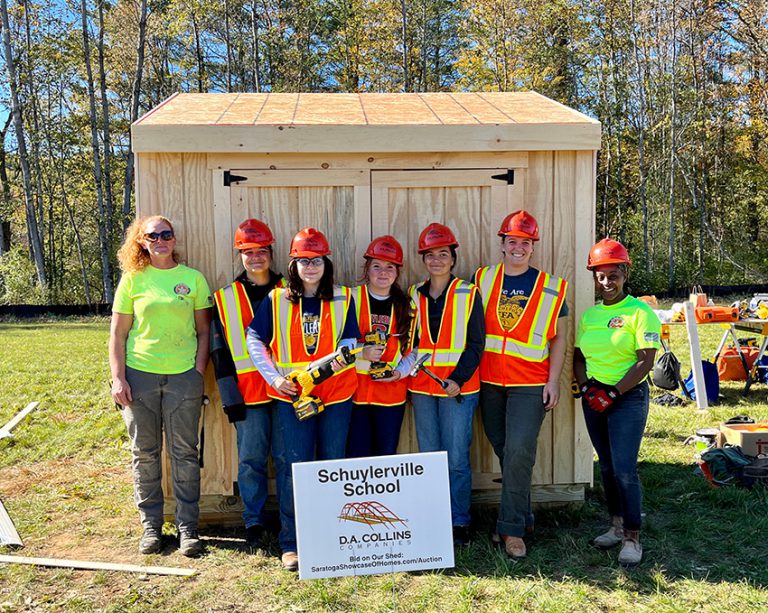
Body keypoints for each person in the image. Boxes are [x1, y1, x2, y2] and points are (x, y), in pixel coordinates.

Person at [245, 227, 379, 571]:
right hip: (293, 398)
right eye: (303, 260)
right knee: (294, 467)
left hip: (336, 396)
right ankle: (292, 542)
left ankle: (330, 537)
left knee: (332, 465)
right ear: (293, 264)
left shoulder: (343, 298)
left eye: (316, 260)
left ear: (326, 263)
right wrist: (274, 378)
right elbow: (254, 338)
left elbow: (350, 343)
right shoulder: (277, 299)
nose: (310, 267)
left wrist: (334, 362)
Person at [109, 215, 211, 557]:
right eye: (153, 236)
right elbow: (118, 334)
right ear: (142, 241)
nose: (161, 240)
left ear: (174, 239)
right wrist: (119, 378)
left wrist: (197, 370)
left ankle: (188, 529)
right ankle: (151, 527)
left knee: (185, 453)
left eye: (166, 234)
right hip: (139, 376)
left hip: (184, 377)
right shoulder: (133, 280)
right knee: (144, 453)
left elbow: (204, 331)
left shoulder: (193, 279)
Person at [474, 210, 568, 560]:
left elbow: (559, 338)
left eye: (525, 242)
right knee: (507, 450)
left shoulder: (550, 286)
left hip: (530, 383)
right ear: (502, 244)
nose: (518, 247)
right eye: (512, 241)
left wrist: (553, 380)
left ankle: (510, 529)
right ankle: (524, 515)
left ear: (532, 246)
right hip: (488, 381)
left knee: (518, 452)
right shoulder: (482, 278)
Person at [573, 238, 660, 568]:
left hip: (627, 398)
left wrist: (613, 393)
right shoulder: (591, 316)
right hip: (594, 398)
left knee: (624, 469)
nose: (607, 282)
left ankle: (632, 537)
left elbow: (645, 361)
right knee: (607, 466)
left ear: (625, 274)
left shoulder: (640, 313)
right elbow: (578, 357)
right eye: (601, 276)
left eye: (614, 275)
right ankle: (616, 525)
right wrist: (586, 387)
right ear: (594, 278)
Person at [408, 223, 484, 546]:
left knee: (455, 458)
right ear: (423, 259)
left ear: (453, 258)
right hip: (423, 389)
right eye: (430, 255)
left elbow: (476, 343)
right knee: (429, 456)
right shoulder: (414, 294)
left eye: (443, 254)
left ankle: (459, 521)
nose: (436, 260)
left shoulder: (468, 293)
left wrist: (458, 379)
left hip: (458, 389)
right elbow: (410, 342)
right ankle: (434, 519)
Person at [210, 219, 283, 552]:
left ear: (271, 252)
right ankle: (253, 521)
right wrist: (229, 396)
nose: (255, 258)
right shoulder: (225, 298)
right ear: (239, 255)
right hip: (248, 394)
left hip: (290, 392)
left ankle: (292, 518)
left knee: (288, 458)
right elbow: (220, 352)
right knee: (251, 459)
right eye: (248, 252)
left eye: (261, 251)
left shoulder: (293, 290)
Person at [347, 236, 416, 458]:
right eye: (376, 266)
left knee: (385, 457)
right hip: (355, 394)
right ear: (367, 269)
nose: (383, 272)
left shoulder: (407, 305)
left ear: (397, 272)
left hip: (391, 395)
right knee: (356, 457)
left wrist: (399, 373)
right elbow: (334, 343)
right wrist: (362, 352)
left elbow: (415, 349)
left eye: (390, 267)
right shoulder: (350, 299)